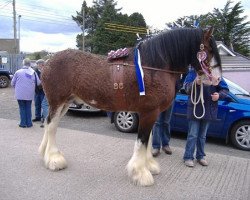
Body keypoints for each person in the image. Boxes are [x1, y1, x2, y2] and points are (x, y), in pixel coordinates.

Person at [183, 67, 229, 167]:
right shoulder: (193, 72)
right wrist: (196, 83)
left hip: (208, 109)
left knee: (202, 136)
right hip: (195, 108)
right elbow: (186, 88)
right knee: (193, 135)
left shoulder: (215, 72)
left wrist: (219, 95)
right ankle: (188, 157)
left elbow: (225, 89)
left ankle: (200, 156)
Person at [11, 58, 41, 128]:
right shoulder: (33, 72)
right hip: (29, 94)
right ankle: (29, 123)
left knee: (22, 108)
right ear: (30, 64)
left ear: (23, 63)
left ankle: (23, 123)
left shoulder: (18, 72)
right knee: (28, 107)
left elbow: (12, 83)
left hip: (20, 94)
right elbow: (39, 83)